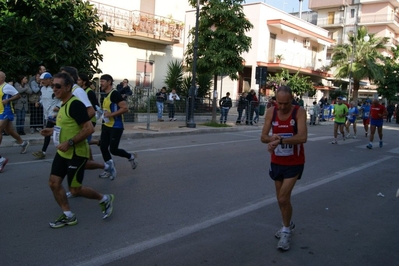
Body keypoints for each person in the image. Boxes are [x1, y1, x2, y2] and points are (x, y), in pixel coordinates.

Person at [41, 72, 114, 228]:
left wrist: (70, 142)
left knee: (75, 190)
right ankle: (68, 215)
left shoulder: (75, 104)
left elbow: (88, 129)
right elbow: (67, 126)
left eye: (58, 86)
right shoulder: (64, 103)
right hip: (63, 153)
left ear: (68, 87)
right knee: (54, 183)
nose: (54, 89)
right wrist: (52, 131)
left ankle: (104, 198)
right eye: (53, 85)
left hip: (75, 153)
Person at [260, 86, 307, 251]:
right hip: (277, 161)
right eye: (279, 103)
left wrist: (280, 141)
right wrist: (271, 138)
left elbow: (303, 137)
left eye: (285, 103)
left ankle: (286, 230)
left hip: (294, 162)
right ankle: (288, 223)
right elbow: (263, 137)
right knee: (281, 199)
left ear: (291, 100)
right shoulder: (271, 112)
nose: (282, 107)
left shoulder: (299, 112)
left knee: (282, 198)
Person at [99, 74, 138, 179]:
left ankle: (131, 156)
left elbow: (125, 108)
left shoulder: (114, 94)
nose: (100, 83)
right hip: (106, 125)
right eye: (100, 81)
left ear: (109, 82)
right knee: (103, 147)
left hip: (116, 126)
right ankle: (109, 169)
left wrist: (111, 115)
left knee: (113, 149)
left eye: (102, 81)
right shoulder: (105, 95)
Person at [0, 71, 30, 172]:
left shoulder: (6, 87)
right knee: (9, 131)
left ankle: (0, 159)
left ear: (2, 78)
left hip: (6, 111)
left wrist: (8, 100)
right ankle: (23, 143)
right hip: (0, 112)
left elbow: (18, 95)